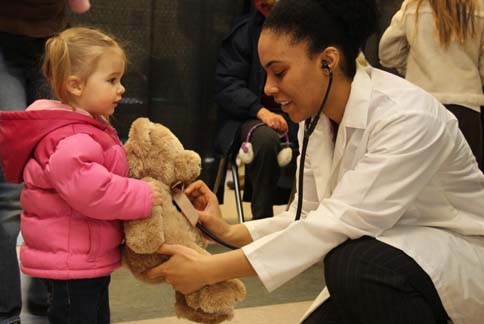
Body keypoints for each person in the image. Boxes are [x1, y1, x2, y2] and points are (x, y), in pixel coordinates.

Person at [146, 0, 484, 323]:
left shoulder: (407, 117)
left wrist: (207, 270)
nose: (268, 88)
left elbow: (335, 224)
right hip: (393, 255)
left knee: (351, 264)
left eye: (279, 72)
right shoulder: (316, 120)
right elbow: (306, 215)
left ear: (329, 61)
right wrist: (232, 232)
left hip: (451, 258)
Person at [0, 27, 162, 324]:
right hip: (73, 261)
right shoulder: (73, 138)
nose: (121, 88)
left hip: (82, 258)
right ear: (75, 86)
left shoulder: (86, 128)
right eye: (112, 80)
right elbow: (94, 192)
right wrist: (144, 195)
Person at [0, 1, 90, 323]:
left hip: (50, 42)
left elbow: (80, 5)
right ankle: (0, 315)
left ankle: (46, 290)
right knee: (8, 185)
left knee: (54, 171)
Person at [214, 0, 298, 220]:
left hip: (297, 113)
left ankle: (305, 218)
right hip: (253, 116)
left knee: (315, 136)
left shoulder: (304, 32)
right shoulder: (244, 33)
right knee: (265, 140)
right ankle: (262, 221)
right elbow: (228, 84)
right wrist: (261, 111)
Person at [378, 0, 484, 169]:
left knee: (418, 180)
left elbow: (388, 52)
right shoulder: (479, 8)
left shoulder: (413, 6)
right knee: (467, 184)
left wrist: (413, 70)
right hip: (466, 107)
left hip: (420, 106)